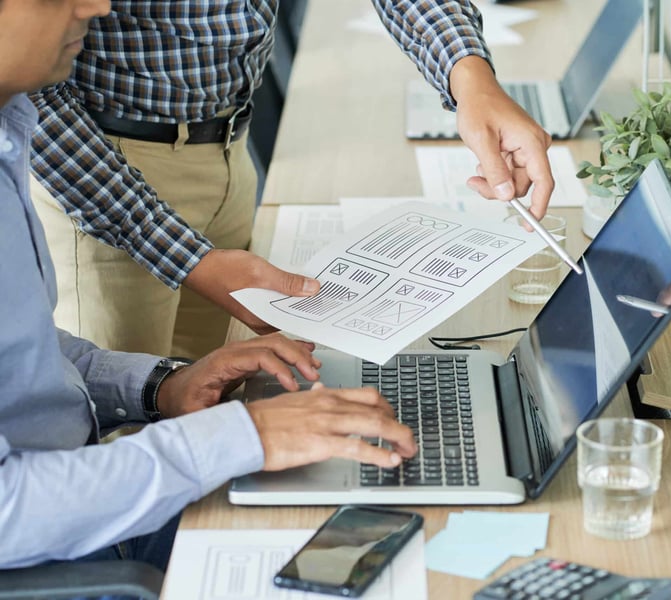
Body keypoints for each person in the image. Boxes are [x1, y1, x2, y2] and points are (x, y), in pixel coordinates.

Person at [0, 0, 415, 571]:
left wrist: (159, 386)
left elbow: (28, 363)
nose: (98, 7)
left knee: (377, 506)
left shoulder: (7, 147)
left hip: (93, 504)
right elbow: (10, 514)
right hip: (73, 559)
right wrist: (243, 437)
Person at [29, 0, 555, 360]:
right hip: (103, 180)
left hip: (230, 149)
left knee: (213, 402)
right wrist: (191, 260)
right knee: (127, 432)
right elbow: (30, 99)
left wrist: (472, 80)